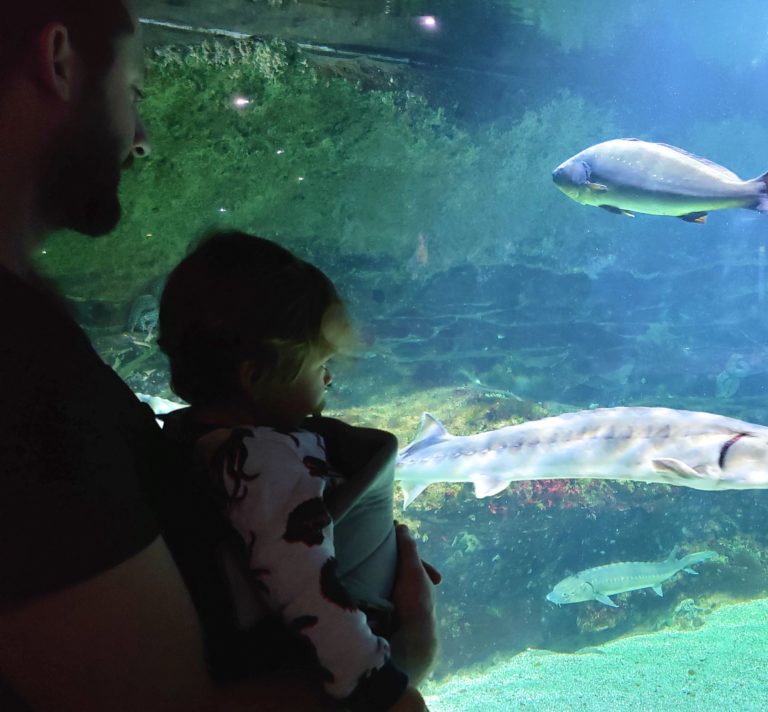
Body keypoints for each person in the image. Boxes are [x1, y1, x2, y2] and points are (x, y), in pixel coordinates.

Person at [0, 2, 437, 709]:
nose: (140, 139)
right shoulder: (25, 377)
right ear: (58, 60)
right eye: (134, 92)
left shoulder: (50, 359)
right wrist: (402, 668)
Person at [156, 230, 439, 710]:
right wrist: (383, 690)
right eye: (320, 363)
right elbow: (306, 585)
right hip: (313, 670)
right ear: (255, 376)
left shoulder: (188, 440)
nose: (329, 377)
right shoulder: (258, 459)